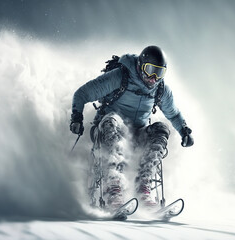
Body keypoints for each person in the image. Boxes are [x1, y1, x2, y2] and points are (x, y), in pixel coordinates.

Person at [70, 46, 194, 210]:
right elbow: (82, 94)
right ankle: (114, 188)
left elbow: (174, 114)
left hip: (137, 135)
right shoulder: (120, 77)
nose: (153, 78)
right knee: (112, 121)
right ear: (140, 66)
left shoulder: (161, 90)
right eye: (149, 70)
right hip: (108, 130)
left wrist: (184, 130)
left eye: (159, 73)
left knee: (161, 128)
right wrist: (76, 117)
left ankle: (144, 187)